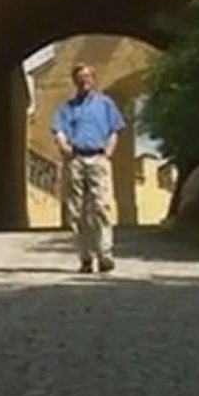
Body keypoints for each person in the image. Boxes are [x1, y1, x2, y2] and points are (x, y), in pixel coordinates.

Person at [51, 63, 125, 274]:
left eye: (87, 77)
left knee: (101, 207)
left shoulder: (105, 104)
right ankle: (85, 258)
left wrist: (108, 152)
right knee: (77, 211)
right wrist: (63, 144)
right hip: (75, 159)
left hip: (98, 158)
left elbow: (114, 130)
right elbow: (59, 130)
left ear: (94, 79)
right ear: (74, 81)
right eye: (79, 78)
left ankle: (105, 255)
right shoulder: (67, 108)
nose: (84, 81)